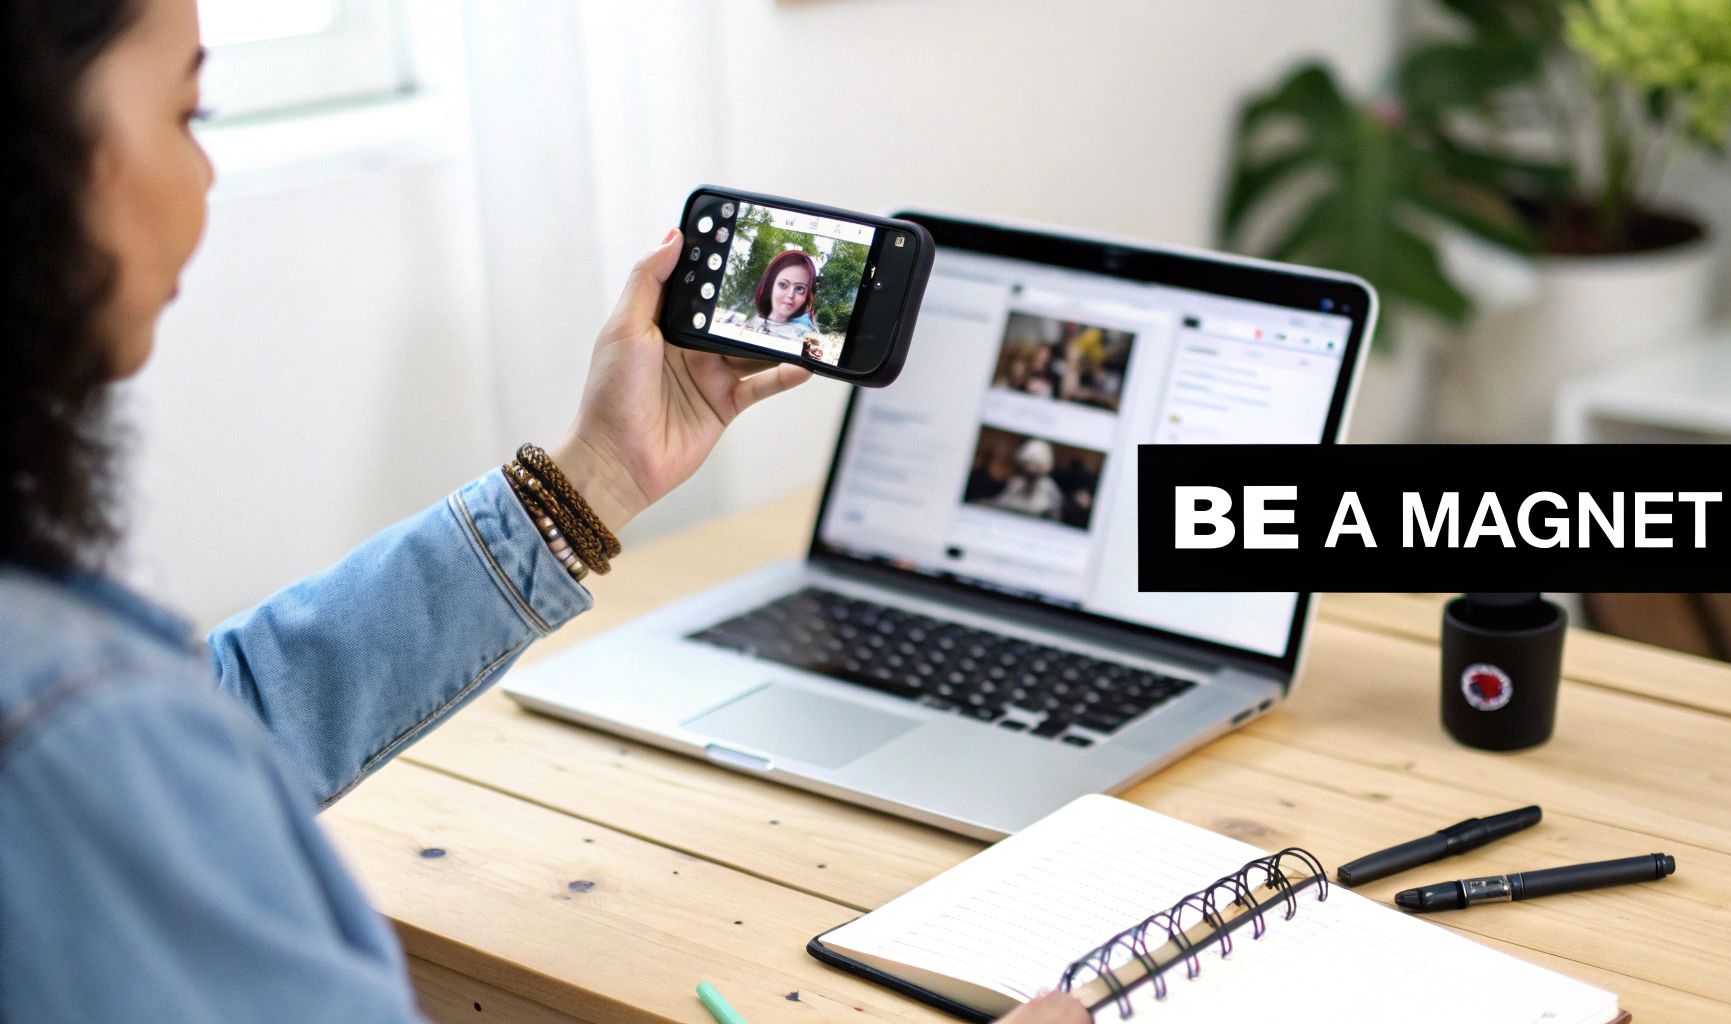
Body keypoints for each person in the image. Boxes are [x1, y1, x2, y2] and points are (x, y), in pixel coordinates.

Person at [0, 1, 1087, 1022]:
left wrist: (596, 478)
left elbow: (221, 728)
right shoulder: (64, 728)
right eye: (190, 113)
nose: (204, 171)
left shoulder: (81, 717)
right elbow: (129, 753)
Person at [752, 248, 820, 342]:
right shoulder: (746, 325)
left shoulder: (804, 339)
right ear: (769, 285)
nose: (790, 295)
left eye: (799, 289)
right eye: (783, 285)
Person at [990, 439, 1066, 521]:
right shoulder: (1016, 483)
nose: (1030, 469)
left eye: (1035, 465)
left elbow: (1056, 511)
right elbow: (1001, 501)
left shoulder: (1048, 486)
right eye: (1027, 464)